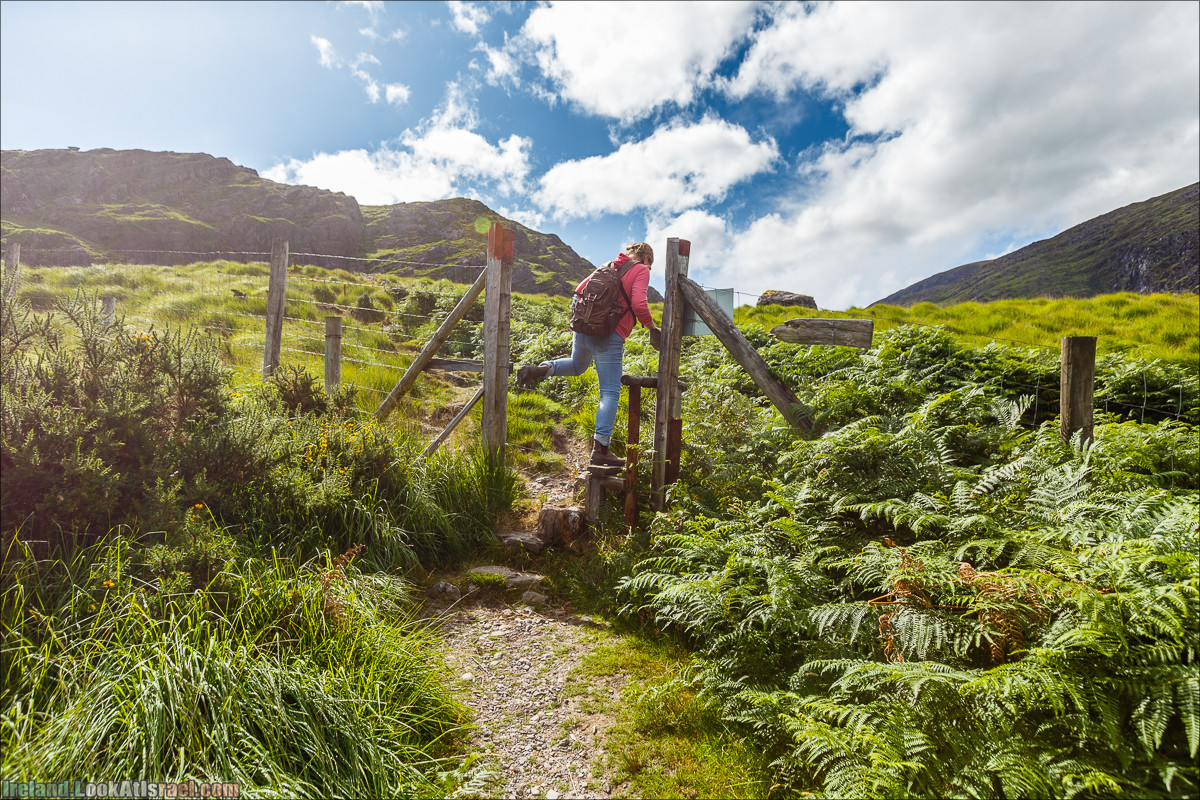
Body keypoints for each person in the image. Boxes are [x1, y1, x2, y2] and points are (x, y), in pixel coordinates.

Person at [517, 242, 662, 468]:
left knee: (577, 366)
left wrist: (583, 323)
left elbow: (579, 290)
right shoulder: (640, 269)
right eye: (650, 264)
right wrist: (653, 328)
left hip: (583, 329)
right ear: (647, 258)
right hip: (608, 335)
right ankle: (601, 449)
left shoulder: (607, 265)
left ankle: (544, 368)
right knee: (610, 393)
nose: (649, 269)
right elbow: (639, 303)